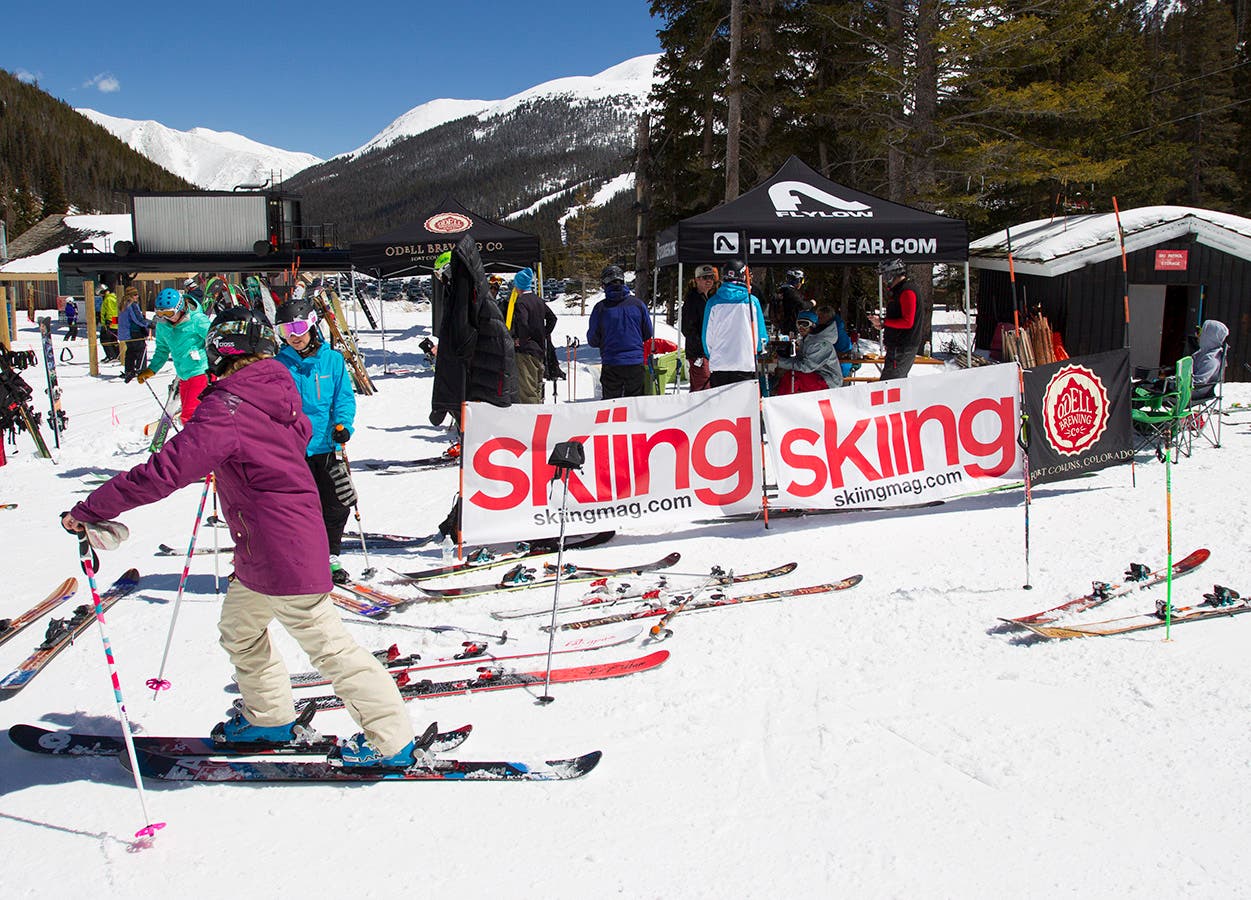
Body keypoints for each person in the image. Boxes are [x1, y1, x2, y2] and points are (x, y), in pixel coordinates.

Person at [62, 306, 418, 767]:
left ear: (219, 351)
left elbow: (165, 471)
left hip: (282, 548)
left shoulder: (228, 407)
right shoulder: (276, 391)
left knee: (328, 647)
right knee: (240, 630)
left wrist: (91, 510)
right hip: (263, 549)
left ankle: (390, 740)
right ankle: (268, 715)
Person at [275, 298, 357, 586]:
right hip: (291, 448)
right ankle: (301, 557)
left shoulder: (332, 360)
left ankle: (331, 555)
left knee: (337, 502)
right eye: (286, 330)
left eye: (298, 327)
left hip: (325, 444)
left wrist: (343, 426)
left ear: (311, 325)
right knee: (297, 506)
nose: (294, 336)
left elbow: (343, 398)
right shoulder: (277, 365)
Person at [136, 288, 211, 424]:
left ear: (180, 307)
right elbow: (162, 350)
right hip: (183, 374)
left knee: (190, 415)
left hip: (201, 371)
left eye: (169, 313)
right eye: (160, 313)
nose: (165, 317)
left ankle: (195, 442)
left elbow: (214, 339)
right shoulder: (163, 325)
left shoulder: (197, 320)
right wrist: (152, 369)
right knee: (189, 414)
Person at [587, 264, 652, 398]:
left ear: (604, 284)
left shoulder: (600, 308)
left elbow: (593, 339)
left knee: (612, 406)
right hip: (635, 363)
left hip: (612, 363)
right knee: (634, 405)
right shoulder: (638, 304)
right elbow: (648, 332)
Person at [702, 259, 768, 388]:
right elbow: (760, 336)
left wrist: (712, 354)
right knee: (742, 406)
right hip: (745, 363)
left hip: (720, 364)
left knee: (720, 405)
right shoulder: (752, 302)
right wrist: (757, 350)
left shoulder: (713, 302)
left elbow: (707, 336)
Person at [868, 258, 926, 380]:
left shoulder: (907, 291)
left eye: (884, 275)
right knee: (890, 381)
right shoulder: (899, 291)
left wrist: (883, 322)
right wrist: (884, 324)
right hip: (897, 345)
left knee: (891, 382)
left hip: (903, 346)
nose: (883, 279)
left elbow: (907, 322)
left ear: (892, 274)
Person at [774, 307, 845, 394]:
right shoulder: (807, 340)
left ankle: (784, 401)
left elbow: (807, 367)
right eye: (799, 324)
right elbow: (801, 360)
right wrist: (783, 359)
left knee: (792, 377)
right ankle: (782, 397)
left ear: (813, 325)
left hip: (829, 379)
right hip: (817, 375)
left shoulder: (819, 343)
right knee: (787, 374)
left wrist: (782, 362)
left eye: (805, 324)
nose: (801, 327)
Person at [505, 267, 547, 404]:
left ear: (518, 285)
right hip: (539, 349)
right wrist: (543, 333)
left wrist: (521, 340)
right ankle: (541, 417)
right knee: (538, 387)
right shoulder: (538, 300)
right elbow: (552, 318)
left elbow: (523, 322)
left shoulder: (521, 302)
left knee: (527, 390)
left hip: (526, 352)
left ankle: (531, 421)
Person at [681, 264, 717, 392]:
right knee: (703, 388)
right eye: (705, 277)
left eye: (711, 278)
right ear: (697, 280)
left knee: (705, 387)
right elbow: (687, 329)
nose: (709, 281)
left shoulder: (709, 299)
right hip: (699, 353)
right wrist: (702, 350)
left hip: (709, 352)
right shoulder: (692, 300)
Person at [116, 286, 150, 383]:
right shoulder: (132, 304)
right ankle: (141, 370)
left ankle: (129, 370)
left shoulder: (123, 304)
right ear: (130, 296)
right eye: (135, 294)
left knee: (130, 352)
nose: (137, 296)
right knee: (141, 350)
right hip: (134, 332)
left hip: (126, 333)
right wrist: (149, 324)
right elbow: (137, 319)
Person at [770, 268, 812, 336]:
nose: (801, 283)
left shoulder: (779, 291)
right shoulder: (791, 292)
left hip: (778, 326)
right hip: (790, 328)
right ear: (798, 280)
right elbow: (802, 305)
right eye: (802, 280)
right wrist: (811, 303)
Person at [99, 284, 120, 361]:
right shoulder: (112, 298)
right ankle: (116, 355)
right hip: (114, 322)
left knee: (105, 340)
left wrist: (109, 321)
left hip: (110, 323)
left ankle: (111, 355)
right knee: (113, 340)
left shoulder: (108, 299)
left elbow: (111, 311)